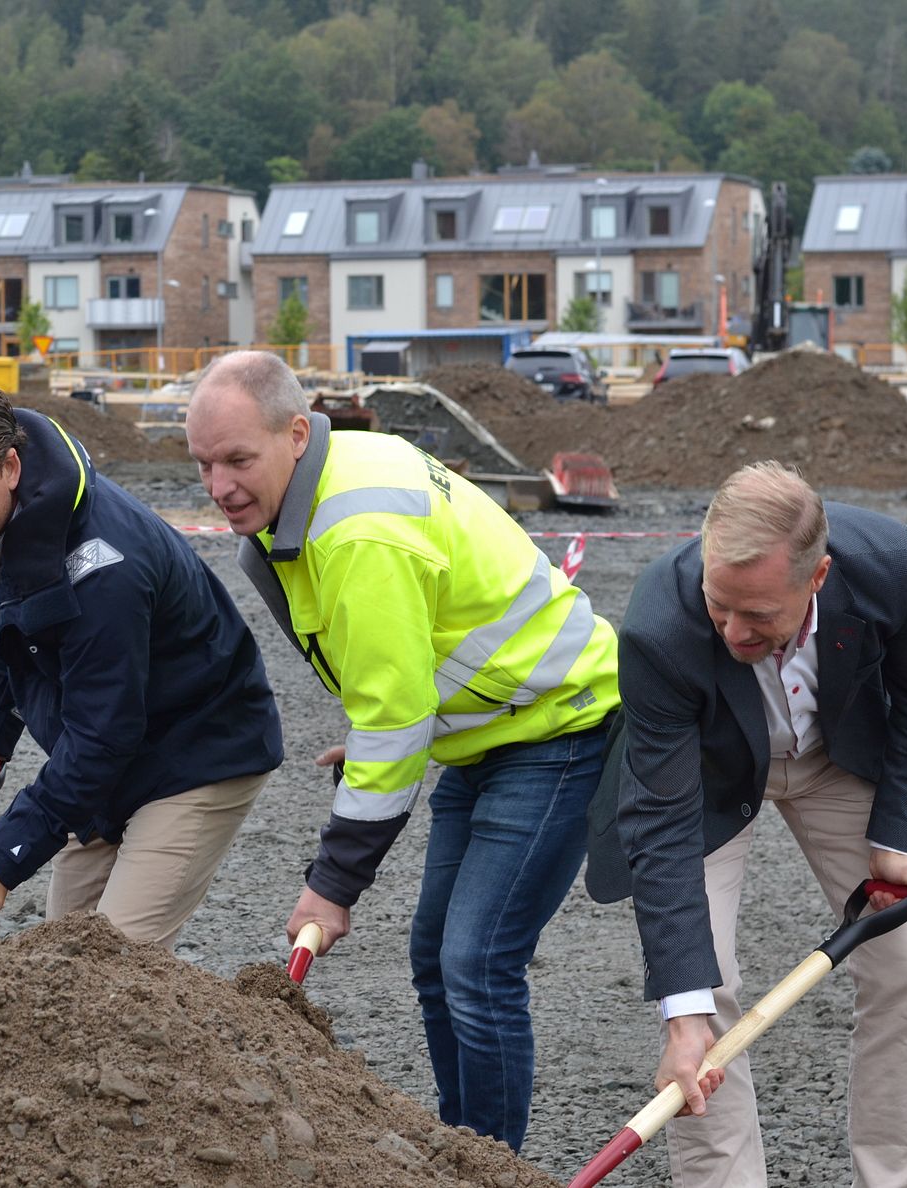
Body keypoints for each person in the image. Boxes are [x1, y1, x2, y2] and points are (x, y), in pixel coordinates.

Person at [185, 351, 620, 1151]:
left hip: (558, 726)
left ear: (295, 433)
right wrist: (383, 734)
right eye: (204, 465)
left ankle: (492, 1164)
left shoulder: (356, 530)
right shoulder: (318, 490)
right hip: (484, 733)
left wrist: (331, 885)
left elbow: (395, 714)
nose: (220, 485)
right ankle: (463, 1147)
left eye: (238, 460)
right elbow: (395, 678)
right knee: (435, 957)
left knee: (477, 962)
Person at [586, 461, 907, 1188]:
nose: (732, 629)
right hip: (710, 774)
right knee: (706, 988)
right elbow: (661, 821)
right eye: (719, 604)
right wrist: (683, 1014)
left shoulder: (889, 565)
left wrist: (895, 837)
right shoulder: (661, 623)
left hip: (835, 757)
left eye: (757, 614)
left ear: (818, 577)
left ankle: (892, 1178)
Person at [0, 378, 283, 946]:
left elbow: (103, 734)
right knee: (67, 952)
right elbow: (2, 639)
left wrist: (6, 855)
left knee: (117, 966)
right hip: (110, 751)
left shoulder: (103, 569)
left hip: (197, 750)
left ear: (11, 468)